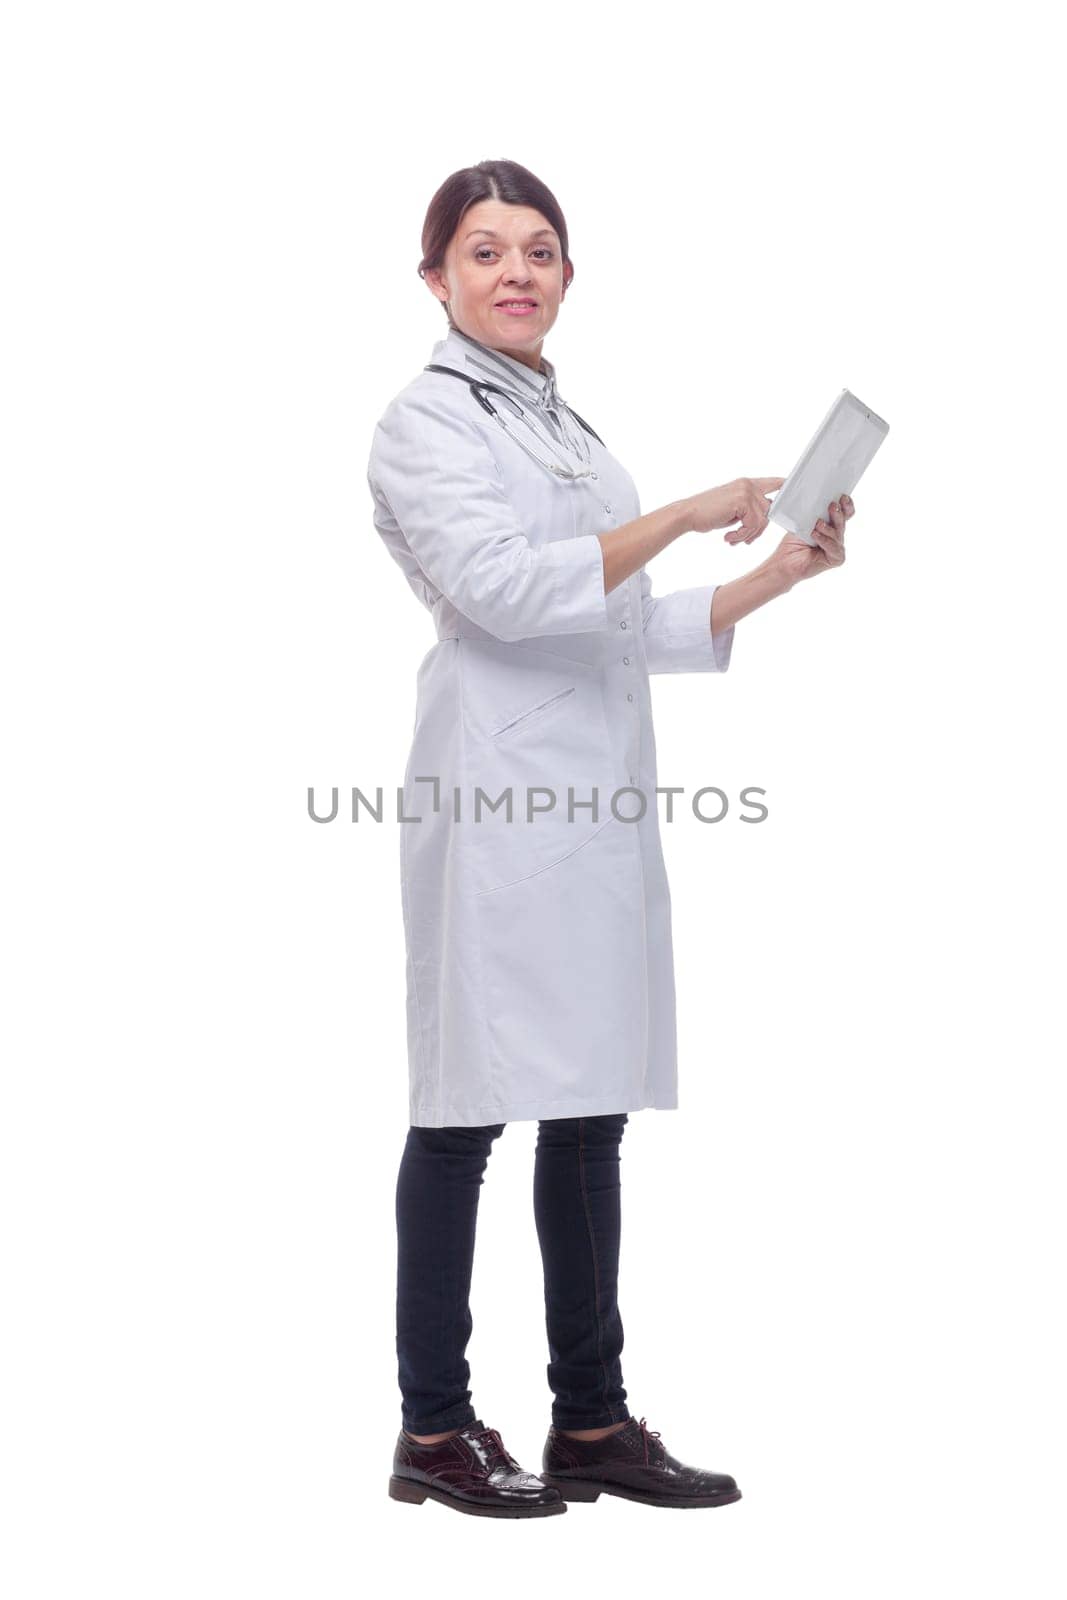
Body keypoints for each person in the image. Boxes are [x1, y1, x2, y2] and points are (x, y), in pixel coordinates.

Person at [366, 159, 856, 1519]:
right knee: (464, 1108)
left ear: (567, 275)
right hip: (496, 795)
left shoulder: (571, 432)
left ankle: (589, 1421)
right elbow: (511, 593)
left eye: (540, 250)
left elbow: (619, 618)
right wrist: (691, 509)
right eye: (483, 251)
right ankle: (432, 1426)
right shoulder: (424, 425)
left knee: (587, 1112)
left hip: (591, 801)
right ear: (437, 280)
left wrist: (774, 570)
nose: (516, 272)